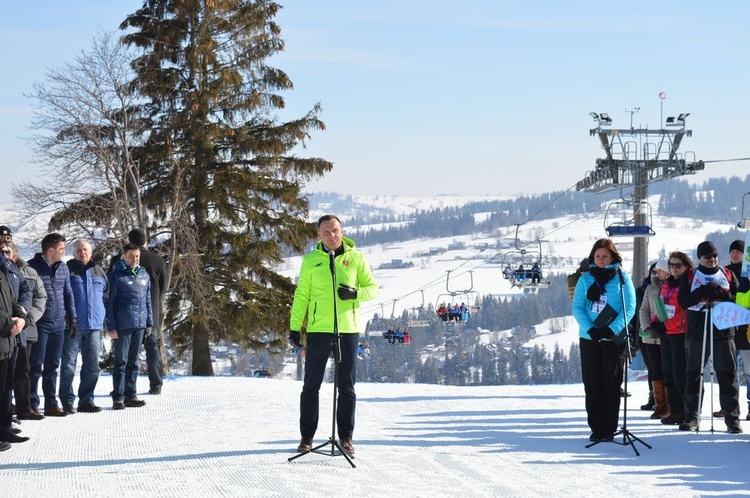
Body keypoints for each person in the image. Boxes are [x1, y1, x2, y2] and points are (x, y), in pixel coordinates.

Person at [289, 215, 378, 456]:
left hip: (347, 330)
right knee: (311, 385)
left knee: (346, 387)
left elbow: (373, 289)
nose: (332, 235)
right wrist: (295, 327)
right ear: (319, 235)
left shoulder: (356, 258)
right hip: (319, 329)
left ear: (342, 231)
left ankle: (346, 438)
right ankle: (306, 437)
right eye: (326, 232)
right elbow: (302, 296)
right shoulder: (311, 261)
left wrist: (355, 293)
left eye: (335, 230)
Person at [572, 238, 635, 443]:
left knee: (611, 382)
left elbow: (630, 308)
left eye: (605, 256)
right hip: (589, 338)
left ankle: (609, 428)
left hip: (613, 338)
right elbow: (578, 308)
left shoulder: (622, 278)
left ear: (613, 257)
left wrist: (611, 328)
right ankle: (596, 427)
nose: (600, 260)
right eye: (597, 256)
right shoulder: (585, 279)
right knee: (592, 383)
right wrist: (591, 329)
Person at [677, 241, 741, 433]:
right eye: (707, 257)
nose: (712, 260)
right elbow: (683, 301)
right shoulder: (690, 276)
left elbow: (737, 298)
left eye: (714, 256)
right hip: (698, 331)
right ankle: (691, 418)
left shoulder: (727, 274)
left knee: (727, 375)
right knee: (694, 375)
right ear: (699, 258)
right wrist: (699, 293)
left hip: (723, 330)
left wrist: (721, 293)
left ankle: (732, 419)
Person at [110, 229, 167, 395]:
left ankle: (121, 389)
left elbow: (110, 286)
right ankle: (156, 385)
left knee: (124, 356)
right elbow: (163, 286)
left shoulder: (118, 259)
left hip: (125, 316)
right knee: (152, 350)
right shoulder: (157, 260)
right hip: (151, 313)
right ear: (145, 241)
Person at [28, 233, 76, 417]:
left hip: (59, 323)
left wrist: (72, 318)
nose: (64, 252)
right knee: (35, 364)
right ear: (50, 250)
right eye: (62, 249)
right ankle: (32, 403)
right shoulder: (32, 268)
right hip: (40, 324)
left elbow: (68, 293)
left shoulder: (63, 268)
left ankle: (51, 404)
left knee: (53, 365)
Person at [60, 239, 107, 414]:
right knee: (68, 365)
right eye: (79, 250)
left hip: (94, 326)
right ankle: (66, 401)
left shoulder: (99, 271)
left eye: (86, 249)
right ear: (73, 253)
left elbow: (106, 295)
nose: (83, 252)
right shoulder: (67, 270)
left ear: (91, 252)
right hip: (73, 326)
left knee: (92, 365)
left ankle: (86, 400)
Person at [105, 243, 152, 410]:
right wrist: (111, 326)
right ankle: (118, 396)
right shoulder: (116, 276)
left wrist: (149, 323)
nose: (135, 259)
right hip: (123, 326)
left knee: (133, 362)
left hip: (139, 325)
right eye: (131, 256)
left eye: (137, 256)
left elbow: (147, 301)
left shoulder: (144, 275)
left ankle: (131, 395)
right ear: (123, 256)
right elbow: (109, 303)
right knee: (121, 362)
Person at [7, 242, 47, 421]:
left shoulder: (28, 273)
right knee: (5, 373)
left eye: (8, 252)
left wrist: (26, 319)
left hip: (24, 329)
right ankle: (6, 411)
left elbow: (37, 297)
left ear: (15, 255)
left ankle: (25, 408)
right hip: (5, 330)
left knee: (23, 371)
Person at [716, 239, 750, 419]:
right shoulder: (723, 272)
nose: (735, 254)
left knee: (748, 372)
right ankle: (728, 407)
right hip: (727, 330)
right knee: (728, 371)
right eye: (732, 251)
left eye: (739, 251)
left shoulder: (747, 273)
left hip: (745, 331)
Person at [658, 251, 693, 426]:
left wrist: (665, 325)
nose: (674, 268)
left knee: (681, 376)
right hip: (666, 334)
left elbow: (684, 314)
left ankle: (688, 412)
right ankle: (676, 411)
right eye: (671, 265)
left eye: (678, 265)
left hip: (681, 334)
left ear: (686, 266)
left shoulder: (689, 283)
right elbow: (661, 306)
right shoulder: (667, 284)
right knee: (668, 374)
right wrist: (656, 322)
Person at [0, 257, 27, 450]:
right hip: (4, 333)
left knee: (5, 389)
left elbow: (13, 301)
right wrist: (11, 324)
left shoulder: (2, 274)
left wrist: (22, 318)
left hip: (7, 342)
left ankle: (4, 428)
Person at [639, 258, 670, 419]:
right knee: (655, 370)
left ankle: (670, 404)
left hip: (667, 334)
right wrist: (648, 327)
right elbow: (643, 309)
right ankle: (659, 405)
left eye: (660, 271)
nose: (657, 274)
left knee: (668, 370)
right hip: (651, 337)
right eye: (655, 271)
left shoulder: (672, 287)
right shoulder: (650, 288)